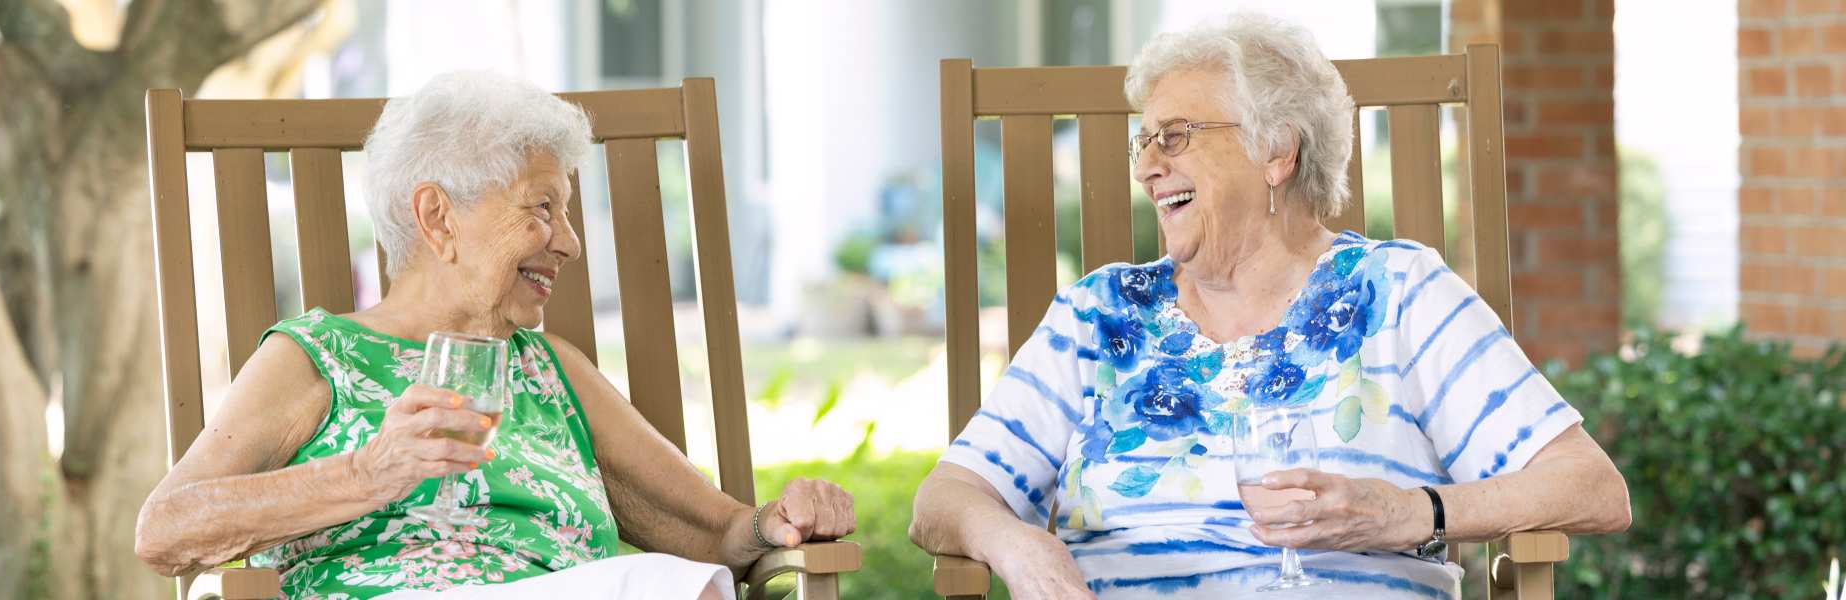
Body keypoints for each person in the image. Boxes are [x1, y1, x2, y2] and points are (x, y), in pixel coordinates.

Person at [909, 13, 1630, 599]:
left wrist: (1412, 512)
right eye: (1144, 141)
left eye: (1176, 137)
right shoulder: (1098, 314)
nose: (1146, 166)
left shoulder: (1402, 292)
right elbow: (946, 498)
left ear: (1277, 150)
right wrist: (1014, 542)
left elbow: (1592, 487)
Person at [135, 71, 855, 600]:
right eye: (542, 208)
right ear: (438, 218)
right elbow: (165, 530)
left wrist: (775, 525)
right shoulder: (317, 358)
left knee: (680, 585)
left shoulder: (552, 370)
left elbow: (715, 533)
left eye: (566, 213)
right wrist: (367, 473)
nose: (568, 243)